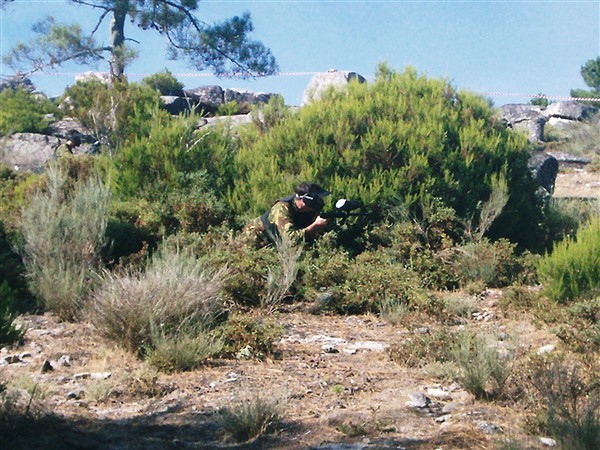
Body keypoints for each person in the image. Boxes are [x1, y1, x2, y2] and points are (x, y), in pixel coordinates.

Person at [244, 181, 330, 247]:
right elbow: (291, 240)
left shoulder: (309, 211)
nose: (320, 202)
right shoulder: (282, 208)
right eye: (317, 200)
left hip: (275, 244)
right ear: (306, 200)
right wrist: (315, 226)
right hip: (256, 242)